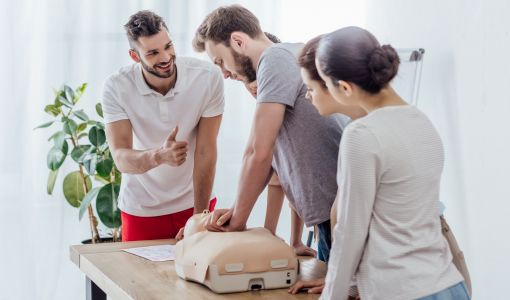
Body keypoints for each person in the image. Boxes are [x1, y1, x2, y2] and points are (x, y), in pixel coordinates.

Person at [290, 35, 472, 298]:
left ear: (344, 88)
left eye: (317, 86)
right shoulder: (422, 121)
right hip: (449, 286)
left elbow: (350, 234)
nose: (310, 95)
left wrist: (333, 294)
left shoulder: (362, 135)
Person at [192, 5, 347, 262]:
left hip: (341, 216)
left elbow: (258, 152)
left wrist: (237, 223)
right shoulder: (291, 52)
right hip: (334, 214)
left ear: (238, 41)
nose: (225, 73)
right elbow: (255, 151)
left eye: (220, 61)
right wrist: (236, 211)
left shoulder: (273, 59)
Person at [102, 10, 224, 242]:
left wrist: (198, 218)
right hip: (141, 210)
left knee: (201, 275)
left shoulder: (207, 77)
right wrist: (159, 156)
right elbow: (120, 157)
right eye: (153, 53)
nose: (166, 57)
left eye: (168, 46)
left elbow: (206, 150)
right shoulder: (116, 87)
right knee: (137, 278)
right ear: (135, 56)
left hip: (196, 202)